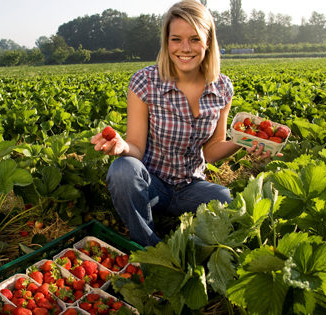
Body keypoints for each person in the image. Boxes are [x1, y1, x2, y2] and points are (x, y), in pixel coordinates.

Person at [91, 0, 272, 247]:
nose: (185, 48)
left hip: (191, 188)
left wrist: (242, 141)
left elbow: (212, 150)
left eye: (195, 39)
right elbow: (136, 147)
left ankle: (190, 245)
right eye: (176, 39)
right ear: (167, 42)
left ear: (208, 42)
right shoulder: (145, 82)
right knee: (123, 170)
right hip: (151, 185)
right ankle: (149, 246)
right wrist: (123, 147)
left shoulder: (222, 87)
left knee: (227, 200)